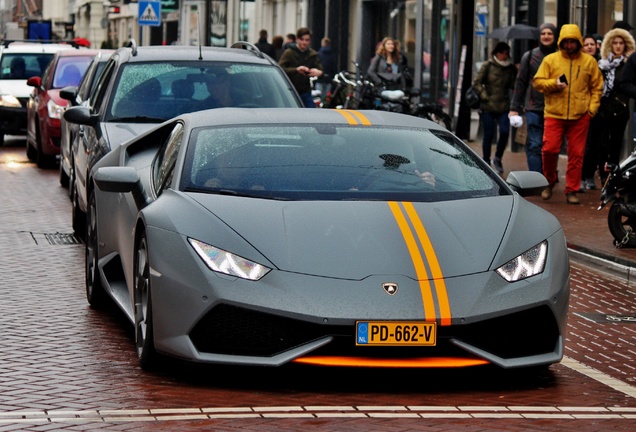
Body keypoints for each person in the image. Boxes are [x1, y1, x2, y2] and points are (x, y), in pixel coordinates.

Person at [533, 24, 604, 205]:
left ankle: (571, 190)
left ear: (578, 42)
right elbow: (538, 82)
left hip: (580, 115)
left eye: (573, 41)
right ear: (561, 42)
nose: (570, 45)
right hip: (554, 113)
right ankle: (548, 182)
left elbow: (597, 87)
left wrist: (591, 109)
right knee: (549, 150)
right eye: (567, 41)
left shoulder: (589, 62)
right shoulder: (551, 60)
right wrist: (554, 84)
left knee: (576, 154)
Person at [585, 28, 635, 187]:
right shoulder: (602, 63)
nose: (618, 46)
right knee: (599, 145)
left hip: (620, 110)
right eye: (615, 43)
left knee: (615, 146)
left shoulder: (629, 64)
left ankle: (610, 181)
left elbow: (627, 85)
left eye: (621, 43)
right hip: (601, 109)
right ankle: (593, 176)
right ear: (609, 44)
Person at [510, 23, 558, 173]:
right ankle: (537, 178)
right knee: (534, 144)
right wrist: (514, 108)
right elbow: (521, 82)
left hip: (556, 109)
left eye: (550, 33)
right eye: (543, 33)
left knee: (552, 146)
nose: (546, 36)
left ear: (555, 36)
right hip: (533, 108)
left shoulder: (560, 56)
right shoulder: (529, 56)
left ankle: (549, 173)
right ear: (539, 36)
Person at [472, 41, 517, 174]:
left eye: (506, 53)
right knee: (489, 134)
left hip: (503, 105)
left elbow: (514, 85)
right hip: (488, 106)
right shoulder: (488, 65)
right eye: (502, 53)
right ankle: (486, 160)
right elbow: (477, 82)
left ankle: (498, 158)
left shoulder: (510, 68)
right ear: (496, 53)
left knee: (504, 132)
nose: (504, 55)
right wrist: (484, 96)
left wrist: (517, 72)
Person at [278, 27, 324, 108]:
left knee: (312, 114)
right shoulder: (289, 53)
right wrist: (296, 70)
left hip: (305, 90)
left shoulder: (312, 54)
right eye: (302, 39)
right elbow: (280, 69)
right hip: (290, 90)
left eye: (307, 40)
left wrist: (319, 73)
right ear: (297, 39)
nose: (304, 42)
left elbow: (320, 69)